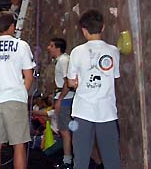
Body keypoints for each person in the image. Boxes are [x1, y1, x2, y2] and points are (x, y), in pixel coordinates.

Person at [67, 9, 120, 169]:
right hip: (107, 112)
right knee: (112, 160)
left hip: (83, 111)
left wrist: (79, 83)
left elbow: (71, 82)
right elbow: (114, 77)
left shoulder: (77, 52)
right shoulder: (113, 51)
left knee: (81, 161)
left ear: (84, 30)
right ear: (103, 27)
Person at [0, 11, 35, 169]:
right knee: (18, 145)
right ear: (12, 26)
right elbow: (29, 76)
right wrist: (21, 91)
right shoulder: (22, 46)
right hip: (15, 99)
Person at [47, 38, 74, 168]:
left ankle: (67, 161)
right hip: (64, 97)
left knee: (64, 130)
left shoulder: (63, 61)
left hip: (66, 99)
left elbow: (67, 82)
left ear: (58, 48)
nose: (49, 48)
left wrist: (60, 100)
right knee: (64, 130)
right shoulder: (61, 60)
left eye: (51, 46)